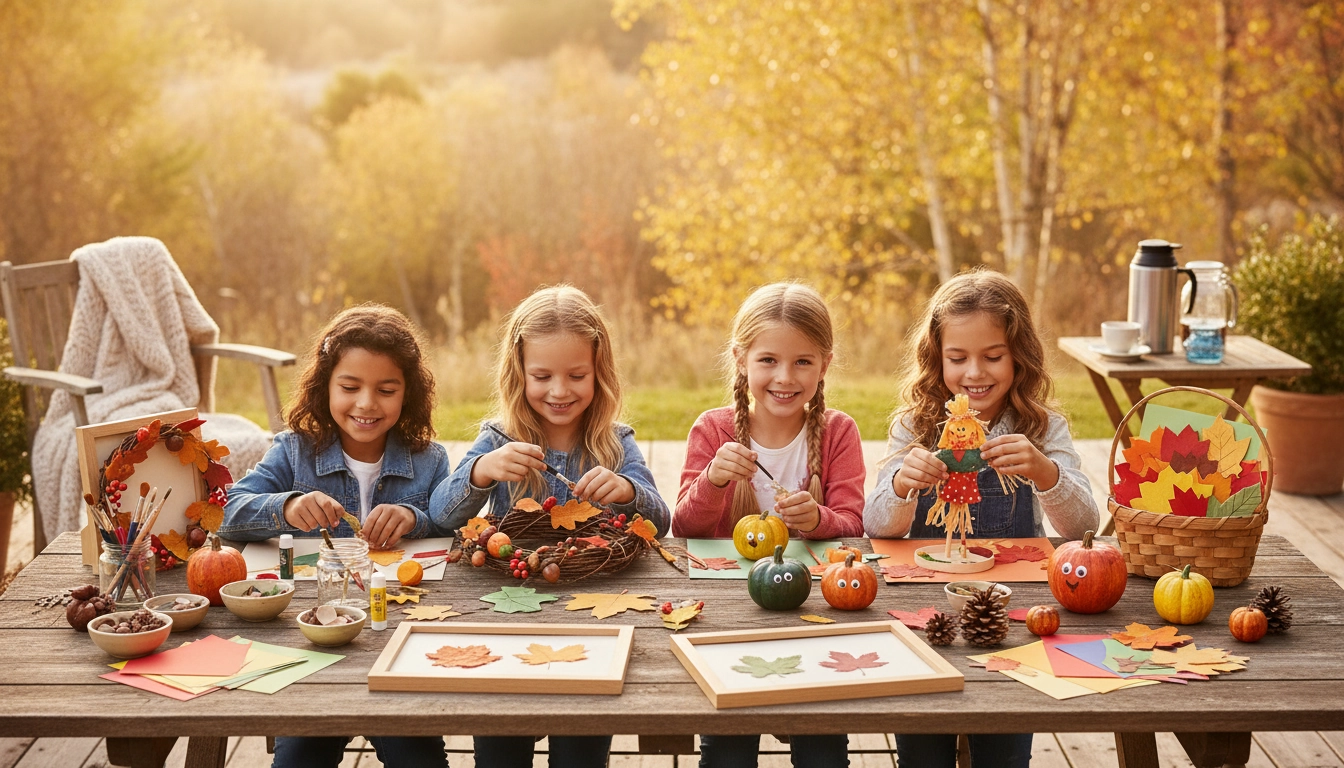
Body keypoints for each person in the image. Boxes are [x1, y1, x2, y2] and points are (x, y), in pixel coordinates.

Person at [865, 269, 1099, 768]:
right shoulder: (916, 425)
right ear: (936, 358)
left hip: (1013, 609)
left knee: (1004, 742)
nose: (975, 372)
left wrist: (1046, 471)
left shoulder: (1041, 426)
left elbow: (1083, 528)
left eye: (993, 356)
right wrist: (904, 483)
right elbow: (879, 525)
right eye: (958, 358)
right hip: (926, 605)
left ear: (1019, 356)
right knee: (923, 745)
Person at [431, 285, 668, 768]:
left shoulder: (614, 444)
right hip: (506, 612)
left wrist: (628, 490)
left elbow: (660, 521)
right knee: (501, 752)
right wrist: (481, 472)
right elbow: (441, 513)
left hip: (593, 620)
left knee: (581, 752)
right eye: (542, 376)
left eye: (576, 375)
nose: (559, 391)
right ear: (519, 374)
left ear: (599, 373)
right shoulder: (498, 439)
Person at [221, 304, 450, 768]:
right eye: (350, 387)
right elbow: (228, 513)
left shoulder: (430, 460)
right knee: (299, 759)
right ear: (325, 385)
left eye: (386, 389)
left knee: (418, 759)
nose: (367, 403)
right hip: (313, 647)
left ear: (408, 393)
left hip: (399, 642)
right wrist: (285, 506)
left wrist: (413, 517)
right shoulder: (294, 452)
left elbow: (450, 523)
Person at [673, 282, 863, 768]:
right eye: (768, 361)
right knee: (728, 751)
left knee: (822, 749)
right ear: (741, 360)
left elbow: (853, 525)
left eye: (803, 361)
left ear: (825, 364)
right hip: (728, 615)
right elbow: (683, 527)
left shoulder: (838, 432)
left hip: (815, 612)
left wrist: (817, 519)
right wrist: (713, 478)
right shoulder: (713, 430)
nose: (785, 376)